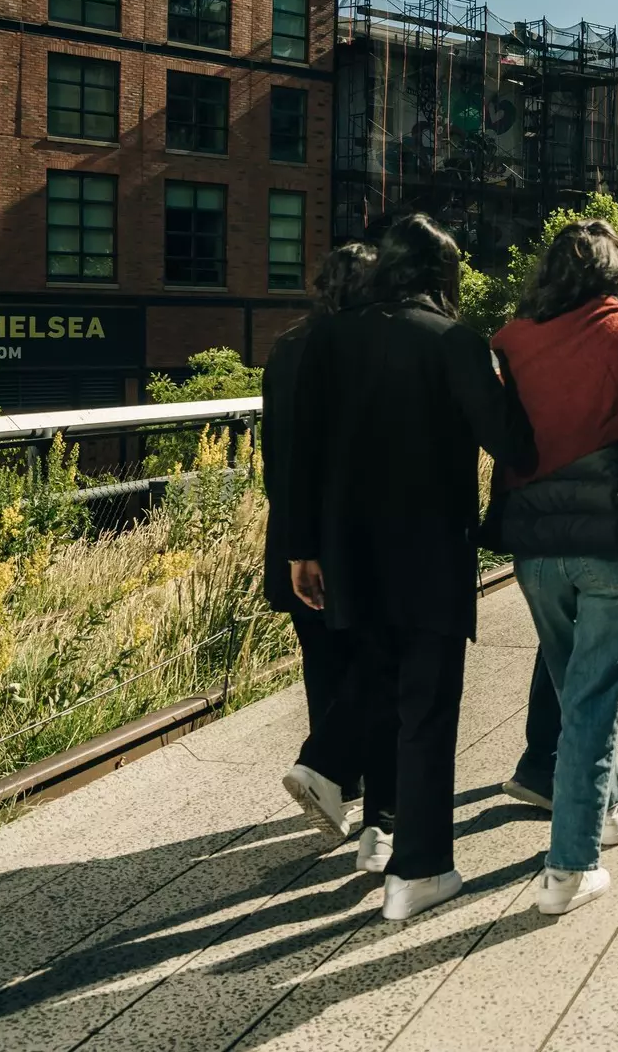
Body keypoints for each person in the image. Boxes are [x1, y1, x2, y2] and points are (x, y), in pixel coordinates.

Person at [288, 214, 535, 923]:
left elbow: (303, 448)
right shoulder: (455, 341)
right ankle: (417, 870)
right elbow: (512, 443)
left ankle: (335, 770)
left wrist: (302, 549)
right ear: (442, 275)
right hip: (430, 552)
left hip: (346, 552)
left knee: (376, 674)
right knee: (425, 709)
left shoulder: (329, 338)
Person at [487, 219, 618, 918]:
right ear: (616, 273)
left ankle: (608, 807)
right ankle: (569, 868)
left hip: (536, 547)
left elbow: (501, 435)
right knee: (593, 697)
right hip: (615, 535)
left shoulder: (511, 343)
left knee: (574, 684)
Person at [265, 242, 377, 844]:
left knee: (321, 658)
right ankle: (330, 768)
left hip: (292, 527)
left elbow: (273, 450)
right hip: (349, 529)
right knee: (373, 654)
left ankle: (337, 787)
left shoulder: (286, 346)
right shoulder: (362, 348)